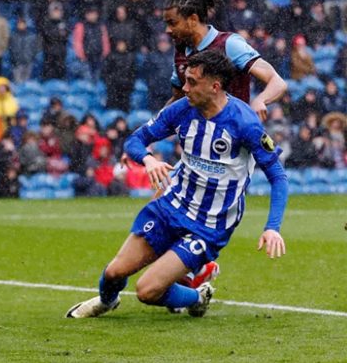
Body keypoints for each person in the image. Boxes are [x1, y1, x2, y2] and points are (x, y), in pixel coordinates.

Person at [66, 51, 288, 319]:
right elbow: (135, 140)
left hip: (209, 223)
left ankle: (198, 296)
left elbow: (277, 175)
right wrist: (148, 160)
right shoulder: (182, 109)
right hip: (171, 206)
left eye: (192, 82)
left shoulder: (244, 123)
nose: (185, 88)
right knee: (113, 273)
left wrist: (272, 228)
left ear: (215, 86)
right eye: (185, 80)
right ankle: (106, 302)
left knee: (147, 291)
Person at [162, 0, 287, 121]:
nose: (167, 30)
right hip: (199, 138)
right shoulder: (180, 53)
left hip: (235, 136)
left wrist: (260, 100)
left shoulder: (229, 44)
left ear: (193, 19)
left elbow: (277, 82)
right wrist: (154, 128)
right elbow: (178, 99)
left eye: (173, 23)